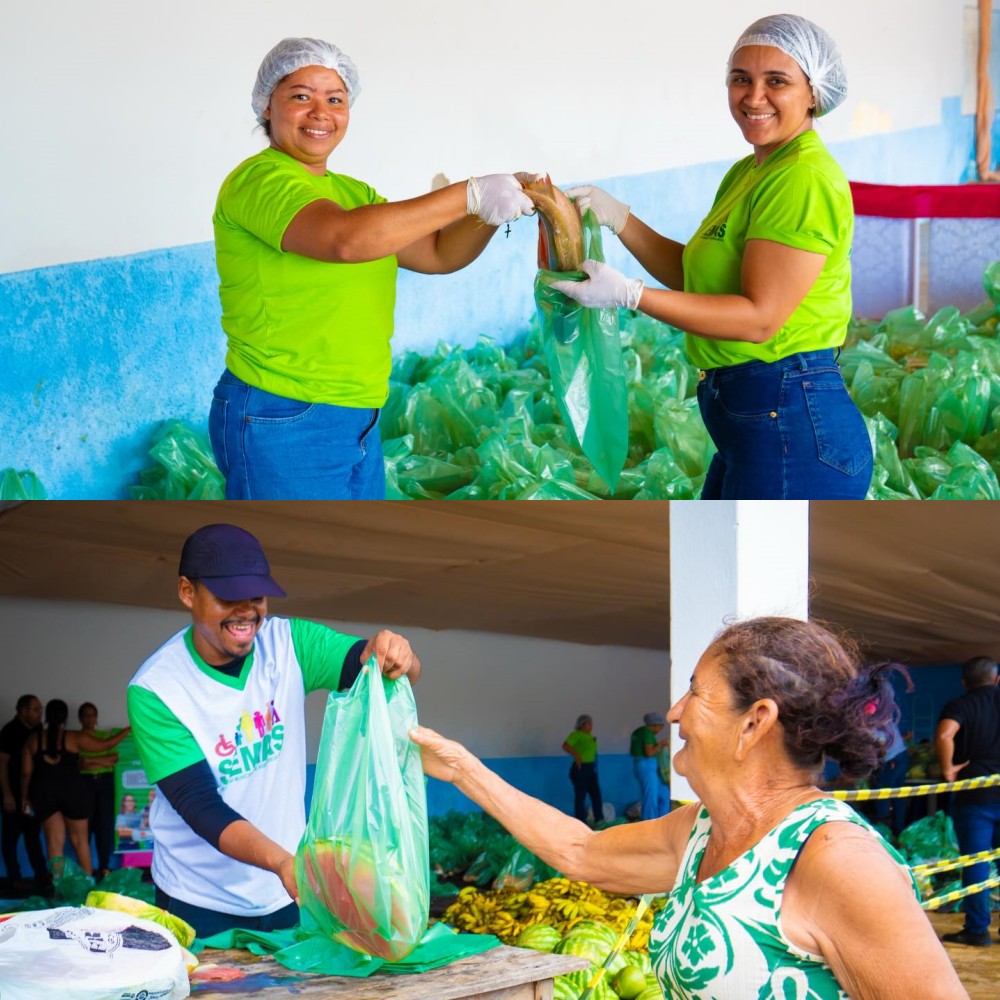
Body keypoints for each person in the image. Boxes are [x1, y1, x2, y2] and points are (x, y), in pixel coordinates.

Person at [411, 617, 967, 998]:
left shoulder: (834, 859)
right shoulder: (700, 831)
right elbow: (579, 849)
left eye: (696, 693)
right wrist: (462, 767)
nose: (674, 713)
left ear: (755, 723)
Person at [550, 14, 872, 500]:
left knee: (757, 572)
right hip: (750, 414)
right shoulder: (752, 170)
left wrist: (631, 296)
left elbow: (760, 319)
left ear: (814, 93)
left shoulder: (803, 177)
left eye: (777, 82)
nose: (753, 96)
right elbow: (695, 274)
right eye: (741, 79)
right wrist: (619, 219)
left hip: (788, 415)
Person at [208, 36, 537, 500]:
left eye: (335, 99)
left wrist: (485, 214)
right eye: (301, 96)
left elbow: (440, 255)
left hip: (358, 410)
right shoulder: (258, 180)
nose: (321, 112)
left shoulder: (356, 193)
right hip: (283, 411)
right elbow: (344, 240)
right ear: (267, 105)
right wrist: (468, 193)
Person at [126, 522, 422, 938]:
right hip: (201, 900)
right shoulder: (156, 689)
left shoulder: (289, 643)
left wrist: (397, 657)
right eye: (229, 597)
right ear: (187, 593)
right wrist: (285, 863)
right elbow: (200, 806)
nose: (247, 611)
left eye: (258, 597)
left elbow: (380, 669)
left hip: (287, 893)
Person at [21, 699, 131, 878]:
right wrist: (128, 729)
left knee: (54, 844)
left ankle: (60, 889)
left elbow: (26, 773)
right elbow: (107, 744)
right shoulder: (73, 737)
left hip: (44, 793)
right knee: (80, 842)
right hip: (72, 792)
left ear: (46, 716)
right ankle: (87, 889)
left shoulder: (33, 740)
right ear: (66, 717)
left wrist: (25, 798)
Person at [935, 655, 1000, 947]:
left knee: (976, 862)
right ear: (996, 680)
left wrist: (948, 768)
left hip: (976, 796)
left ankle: (977, 930)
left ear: (964, 682)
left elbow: (946, 733)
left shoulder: (960, 704)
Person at [0, 694, 48, 894]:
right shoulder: (9, 731)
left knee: (33, 837)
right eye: (36, 709)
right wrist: (7, 795)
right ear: (23, 711)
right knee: (10, 838)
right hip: (13, 794)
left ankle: (41, 875)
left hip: (31, 796)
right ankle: (14, 878)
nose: (40, 713)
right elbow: (1, 764)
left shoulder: (38, 731)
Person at [77, 701, 119, 879]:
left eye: (92, 714)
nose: (90, 718)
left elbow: (114, 758)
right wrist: (103, 760)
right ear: (80, 718)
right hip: (84, 784)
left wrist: (90, 762)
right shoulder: (75, 737)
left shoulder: (105, 736)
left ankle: (104, 868)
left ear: (96, 717)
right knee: (85, 826)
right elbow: (80, 763)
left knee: (105, 826)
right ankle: (84, 870)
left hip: (105, 784)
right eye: (86, 715)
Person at [561, 714, 603, 825]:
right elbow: (565, 745)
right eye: (588, 723)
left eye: (591, 723)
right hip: (580, 769)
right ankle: (580, 822)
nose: (591, 726)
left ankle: (599, 820)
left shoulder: (589, 736)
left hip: (591, 769)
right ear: (582, 725)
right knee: (581, 796)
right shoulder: (576, 735)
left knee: (596, 795)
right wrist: (577, 755)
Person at [631, 712, 670, 820]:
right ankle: (650, 823)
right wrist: (661, 744)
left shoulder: (638, 732)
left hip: (644, 766)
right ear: (655, 724)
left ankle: (663, 821)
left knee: (664, 794)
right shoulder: (647, 733)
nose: (660, 729)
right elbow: (649, 752)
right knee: (650, 797)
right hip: (646, 767)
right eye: (660, 726)